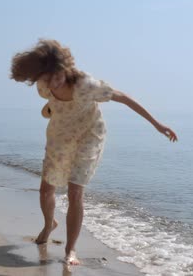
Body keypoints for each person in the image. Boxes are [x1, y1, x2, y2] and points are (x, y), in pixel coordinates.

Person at [10, 39, 178, 265]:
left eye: (57, 76)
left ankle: (70, 250)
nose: (54, 83)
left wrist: (157, 125)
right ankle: (49, 225)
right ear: (38, 77)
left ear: (65, 68)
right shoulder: (43, 85)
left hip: (89, 137)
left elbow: (124, 98)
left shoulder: (86, 84)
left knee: (75, 192)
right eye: (47, 79)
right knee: (45, 190)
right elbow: (50, 101)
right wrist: (50, 106)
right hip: (59, 137)